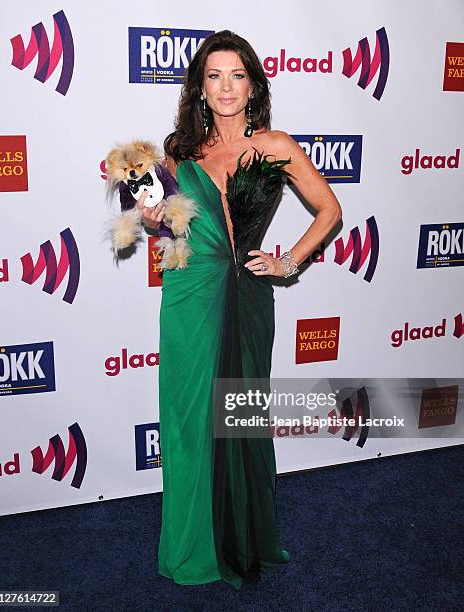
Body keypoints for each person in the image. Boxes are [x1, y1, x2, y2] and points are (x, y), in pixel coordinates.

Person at [138, 30, 342, 589]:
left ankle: (243, 539)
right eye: (214, 76)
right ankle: (192, 546)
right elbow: (166, 224)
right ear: (200, 89)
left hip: (248, 296)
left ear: (252, 85)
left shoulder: (275, 146)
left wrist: (288, 262)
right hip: (189, 294)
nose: (225, 87)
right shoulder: (180, 154)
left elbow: (329, 211)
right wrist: (153, 218)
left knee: (240, 419)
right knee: (186, 422)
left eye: (236, 75)